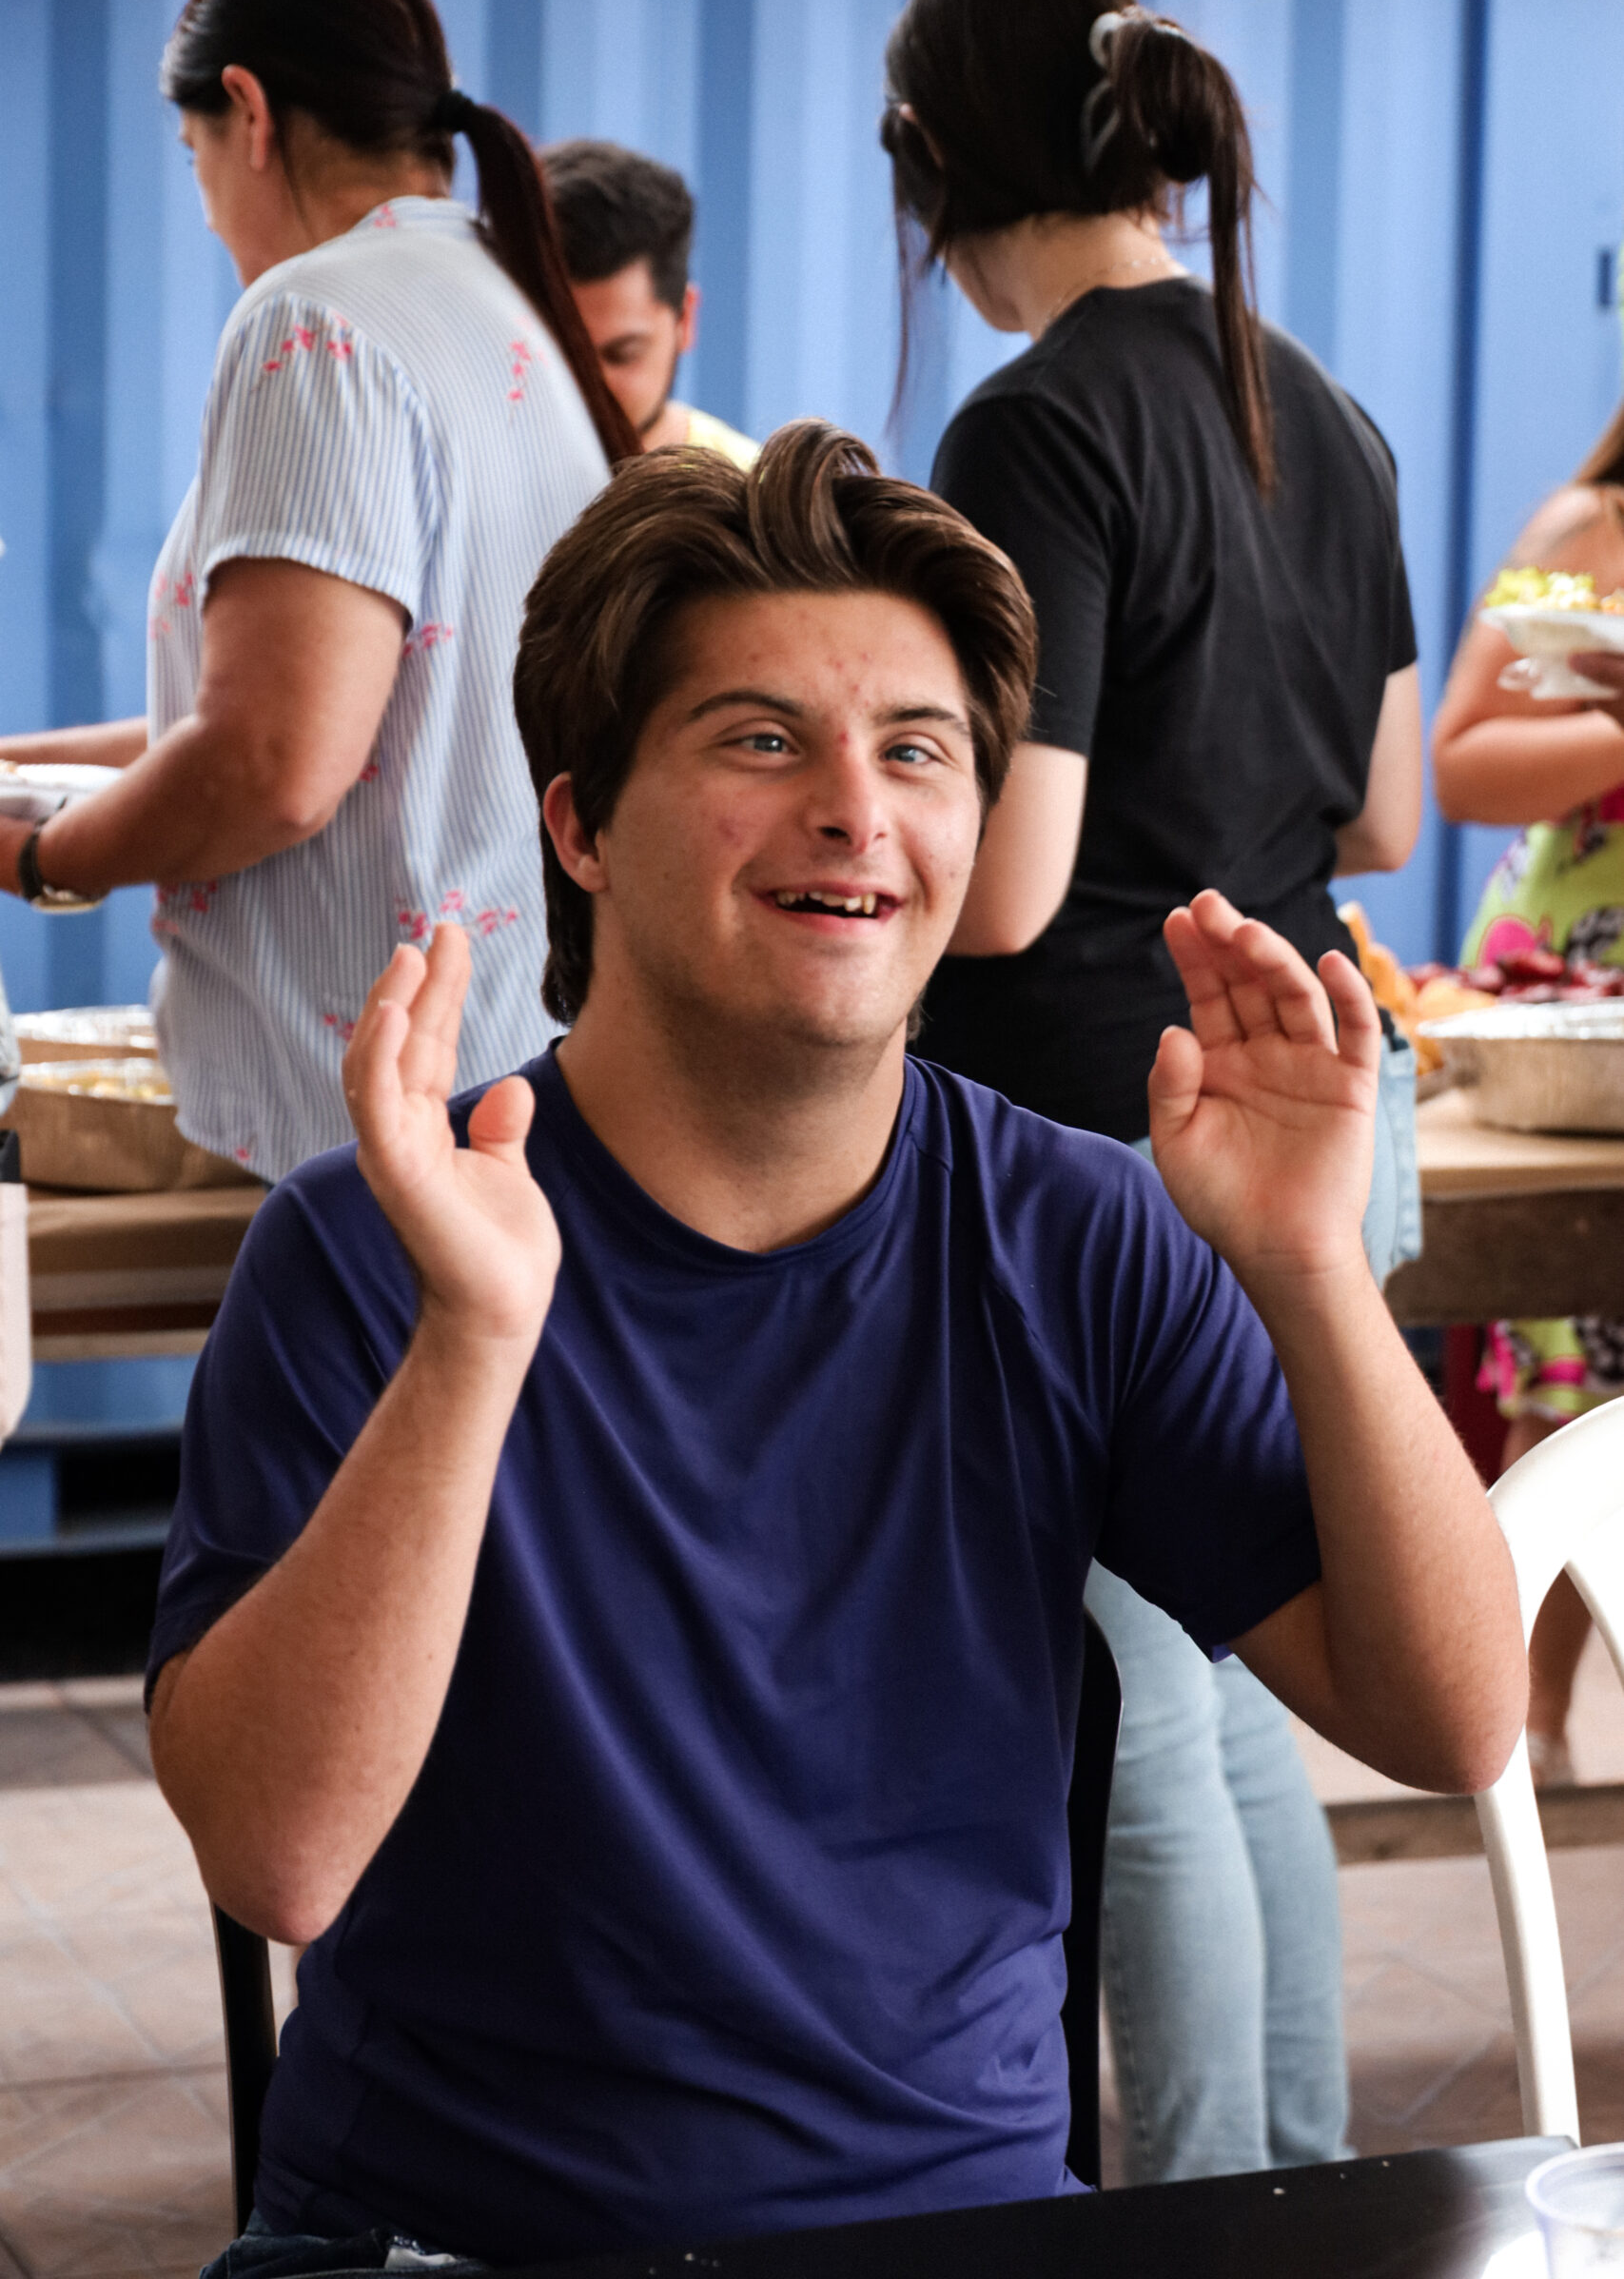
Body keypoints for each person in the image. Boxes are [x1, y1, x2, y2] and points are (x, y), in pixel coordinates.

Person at [147, 422, 1521, 2273]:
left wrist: (1307, 1267)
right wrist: (473, 1341)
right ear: (579, 823)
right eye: (760, 740)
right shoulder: (367, 1243)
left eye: (918, 751)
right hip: (452, 2238)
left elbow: (1451, 1722)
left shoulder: (1075, 1234)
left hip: (970, 2226)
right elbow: (276, 1863)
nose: (855, 811)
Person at [878, 0, 1424, 2184]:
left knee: (1139, 1705)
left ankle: (1200, 2209)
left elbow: (1003, 885)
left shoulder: (1033, 422)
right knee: (1248, 1692)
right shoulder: (1321, 406)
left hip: (1127, 1141)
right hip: (1314, 1111)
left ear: (932, 158)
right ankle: (1282, 2178)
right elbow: (1384, 815)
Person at [0, 0, 638, 1184]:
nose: (205, 208)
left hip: (373, 1120)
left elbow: (274, 763)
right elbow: (338, 712)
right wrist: (18, 767)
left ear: (247, 112)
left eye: (193, 156)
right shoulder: (494, 299)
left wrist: (37, 857)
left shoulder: (314, 319)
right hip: (501, 1073)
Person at [1432, 394, 1624, 1787]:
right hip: (1576, 1005)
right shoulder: (1589, 531)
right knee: (1568, 1386)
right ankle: (1525, 1740)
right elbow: (1459, 762)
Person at [542, 136, 760, 465]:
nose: (587, 386)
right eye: (559, 354)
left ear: (685, 320)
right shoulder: (468, 477)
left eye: (621, 354)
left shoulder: (757, 492)